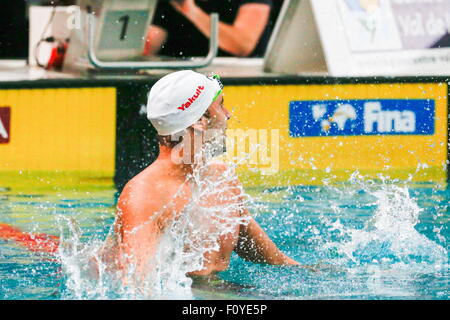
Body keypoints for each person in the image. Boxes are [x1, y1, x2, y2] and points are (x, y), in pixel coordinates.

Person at [113, 70, 299, 278]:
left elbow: (270, 258)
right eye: (220, 105)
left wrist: (314, 273)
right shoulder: (145, 195)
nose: (228, 114)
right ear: (200, 120)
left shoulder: (221, 178)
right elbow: (137, 284)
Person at [144, 0, 274, 58]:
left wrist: (191, 11)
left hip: (239, 83)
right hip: (184, 83)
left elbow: (242, 44)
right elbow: (149, 42)